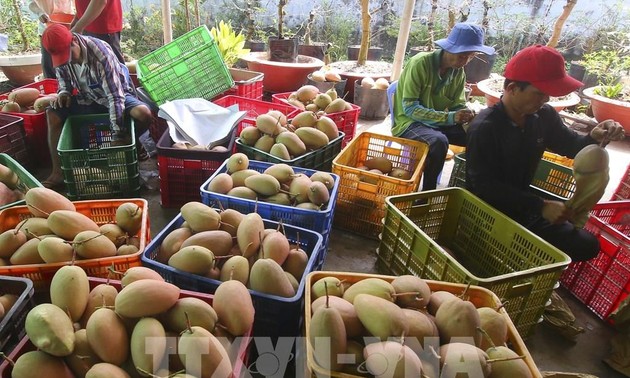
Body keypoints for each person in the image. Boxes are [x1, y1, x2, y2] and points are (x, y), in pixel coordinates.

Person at [465, 45, 625, 261]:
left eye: (548, 95)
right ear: (512, 88)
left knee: (585, 240)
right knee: (582, 244)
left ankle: (525, 257)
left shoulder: (543, 116)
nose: (545, 100)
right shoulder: (485, 127)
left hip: (524, 203)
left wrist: (594, 137)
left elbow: (571, 146)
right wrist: (539, 206)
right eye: (539, 94)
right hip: (488, 209)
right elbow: (483, 186)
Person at [40, 23, 151, 189]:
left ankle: (131, 140)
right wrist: (64, 94)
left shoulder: (101, 53)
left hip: (115, 96)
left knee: (143, 113)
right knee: (53, 114)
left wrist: (117, 135)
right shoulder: (60, 55)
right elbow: (64, 83)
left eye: (69, 57)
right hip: (87, 98)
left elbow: (115, 97)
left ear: (74, 42)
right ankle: (58, 173)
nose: (69, 62)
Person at [392, 22, 495, 191]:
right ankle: (427, 193)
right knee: (439, 141)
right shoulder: (420, 63)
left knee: (479, 136)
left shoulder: (458, 72)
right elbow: (410, 109)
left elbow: (457, 104)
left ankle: (473, 187)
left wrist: (467, 115)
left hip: (436, 124)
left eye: (470, 57)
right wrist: (450, 117)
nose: (465, 61)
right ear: (450, 48)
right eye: (462, 56)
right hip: (409, 123)